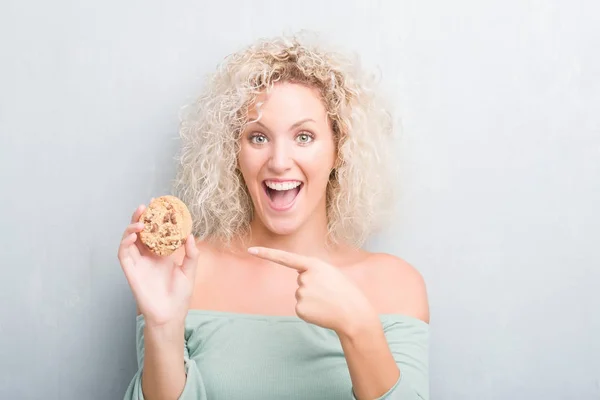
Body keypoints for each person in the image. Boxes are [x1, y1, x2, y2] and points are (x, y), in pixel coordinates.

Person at [119, 32, 430, 400]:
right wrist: (162, 326)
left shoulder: (396, 284)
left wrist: (357, 327)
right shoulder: (184, 272)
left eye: (304, 137)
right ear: (233, 152)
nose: (279, 162)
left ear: (339, 149)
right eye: (258, 137)